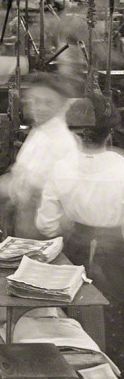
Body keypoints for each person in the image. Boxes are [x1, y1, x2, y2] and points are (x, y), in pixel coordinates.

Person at [35, 95, 124, 358]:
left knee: (76, 320)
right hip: (115, 257)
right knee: (114, 318)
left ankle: (82, 372)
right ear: (109, 133)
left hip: (74, 253)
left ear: (74, 133)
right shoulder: (122, 167)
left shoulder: (61, 167)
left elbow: (46, 226)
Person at [4, 72, 81, 237]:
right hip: (25, 219)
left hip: (43, 226)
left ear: (62, 105)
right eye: (36, 101)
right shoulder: (39, 131)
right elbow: (22, 175)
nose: (40, 108)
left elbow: (53, 194)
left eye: (48, 102)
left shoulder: (62, 142)